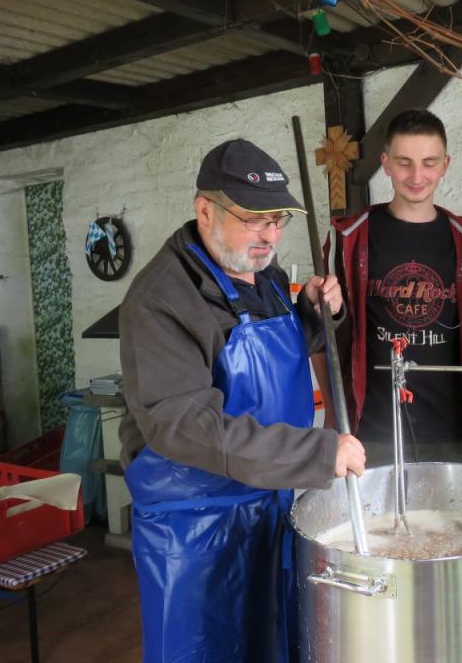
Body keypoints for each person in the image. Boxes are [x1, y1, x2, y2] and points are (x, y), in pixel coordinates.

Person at [118, 138, 366, 663]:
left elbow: (283, 353)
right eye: (253, 220)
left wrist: (315, 314)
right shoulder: (161, 300)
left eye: (277, 220)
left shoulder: (267, 278)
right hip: (194, 529)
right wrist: (317, 452)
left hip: (266, 505)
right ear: (205, 210)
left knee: (270, 643)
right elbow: (185, 425)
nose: (270, 236)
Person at [324, 109, 462, 466]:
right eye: (404, 163)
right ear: (385, 163)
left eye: (429, 163)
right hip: (370, 432)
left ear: (445, 164)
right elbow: (321, 332)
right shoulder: (349, 238)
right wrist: (334, 417)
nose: (417, 176)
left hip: (451, 430)